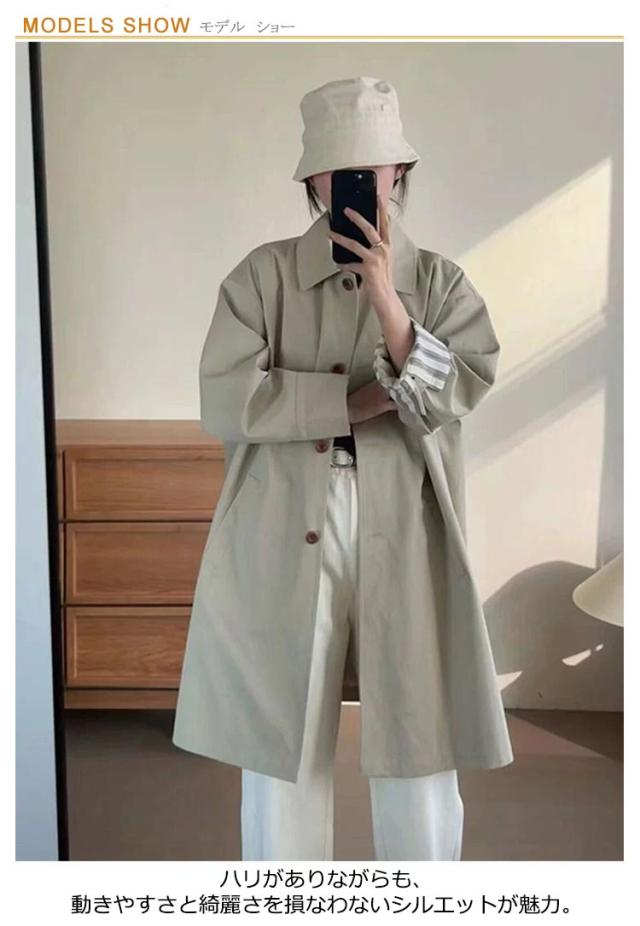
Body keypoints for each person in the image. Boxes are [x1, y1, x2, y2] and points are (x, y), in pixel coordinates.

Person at [171, 76, 514, 862]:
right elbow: (227, 398)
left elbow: (456, 390)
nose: (354, 182)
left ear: (399, 172)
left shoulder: (440, 283)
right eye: (336, 169)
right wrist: (355, 402)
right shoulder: (262, 276)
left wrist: (389, 301)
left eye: (371, 166)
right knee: (281, 735)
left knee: (419, 731)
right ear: (313, 179)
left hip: (408, 519)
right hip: (282, 515)